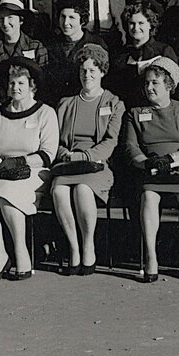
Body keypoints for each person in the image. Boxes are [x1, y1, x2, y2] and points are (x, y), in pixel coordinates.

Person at [0, 57, 59, 282]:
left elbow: (47, 154)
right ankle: (0, 255)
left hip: (33, 172)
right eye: (12, 83)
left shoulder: (45, 113)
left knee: (6, 195)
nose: (15, 88)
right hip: (1, 172)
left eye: (21, 83)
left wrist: (18, 162)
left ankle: (21, 253)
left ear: (32, 86)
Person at [122, 56, 179, 282]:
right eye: (147, 83)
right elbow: (130, 147)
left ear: (169, 85)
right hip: (150, 169)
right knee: (149, 197)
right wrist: (147, 163)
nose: (149, 87)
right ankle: (151, 256)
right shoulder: (136, 113)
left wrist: (171, 159)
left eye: (155, 83)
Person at [52, 44, 125, 275]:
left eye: (93, 70)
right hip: (68, 162)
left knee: (83, 190)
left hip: (97, 164)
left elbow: (111, 141)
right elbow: (57, 140)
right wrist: (65, 154)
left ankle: (88, 246)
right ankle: (73, 248)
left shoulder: (114, 103)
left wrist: (85, 155)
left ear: (102, 72)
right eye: (83, 70)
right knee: (58, 191)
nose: (87, 75)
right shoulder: (66, 103)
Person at [107, 0, 175, 107]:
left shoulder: (164, 51)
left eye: (141, 23)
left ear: (150, 25)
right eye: (132, 23)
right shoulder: (121, 54)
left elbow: (172, 86)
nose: (136, 28)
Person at [0, 0, 48, 109]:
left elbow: (43, 83)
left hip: (29, 106)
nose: (5, 23)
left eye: (10, 17)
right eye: (1, 18)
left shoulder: (36, 47)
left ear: (21, 20)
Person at [46, 0, 106, 101]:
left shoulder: (96, 43)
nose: (66, 23)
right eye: (63, 17)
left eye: (71, 17)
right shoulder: (51, 44)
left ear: (82, 20)